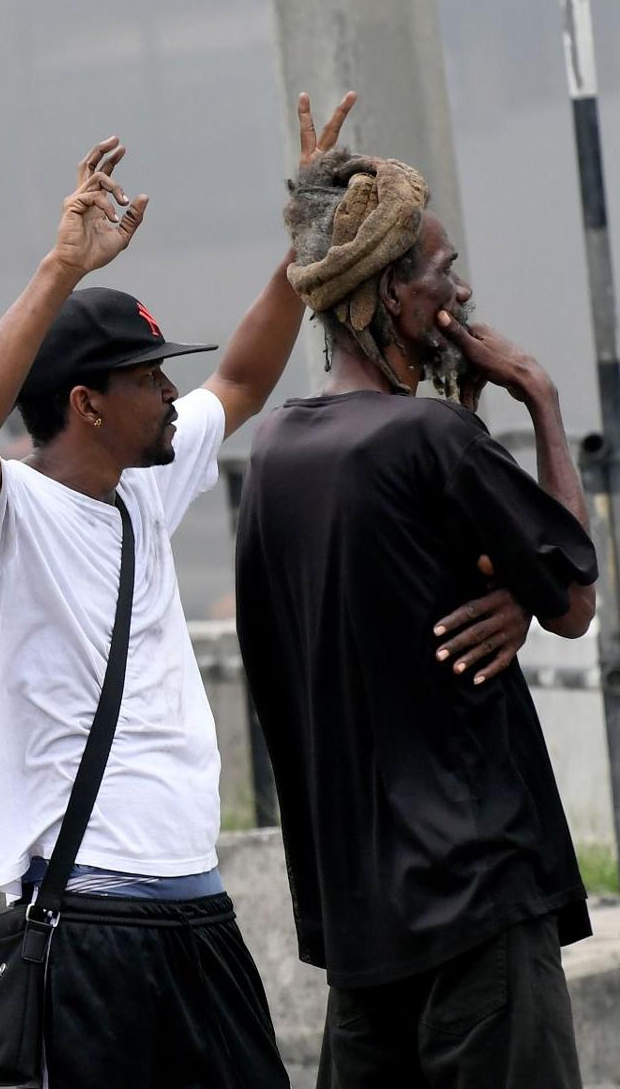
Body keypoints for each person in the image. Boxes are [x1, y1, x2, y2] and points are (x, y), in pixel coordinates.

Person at [0, 94, 360, 1087]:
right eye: (149, 377)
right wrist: (62, 267)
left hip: (193, 900)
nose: (170, 394)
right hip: (85, 920)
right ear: (86, 404)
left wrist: (307, 231)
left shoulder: (144, 482)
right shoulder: (1, 520)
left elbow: (242, 378)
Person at [234, 147, 598, 1088]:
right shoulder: (434, 438)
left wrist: (511, 584)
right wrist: (541, 401)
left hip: (362, 918)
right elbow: (576, 601)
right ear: (392, 291)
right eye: (443, 271)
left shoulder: (273, 454)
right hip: (478, 894)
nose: (462, 290)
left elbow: (383, 590)